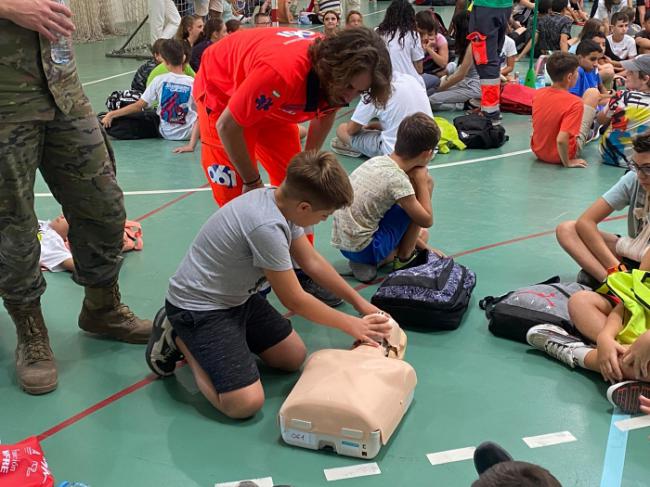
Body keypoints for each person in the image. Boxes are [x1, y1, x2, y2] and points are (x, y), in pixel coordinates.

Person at [146, 151, 392, 419]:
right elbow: (294, 299)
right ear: (305, 208)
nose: (323, 220)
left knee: (292, 357)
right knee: (243, 404)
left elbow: (311, 262)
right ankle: (180, 339)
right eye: (324, 215)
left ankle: (216, 341)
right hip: (200, 308)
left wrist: (361, 304)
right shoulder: (265, 226)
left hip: (238, 299)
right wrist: (352, 324)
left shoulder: (283, 203)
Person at [0, 0, 151, 395]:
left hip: (65, 93)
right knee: (11, 226)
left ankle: (102, 307)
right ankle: (30, 330)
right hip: (5, 103)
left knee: (103, 206)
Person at [193, 27, 391, 304]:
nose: (349, 97)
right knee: (236, 198)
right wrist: (251, 180)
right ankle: (247, 283)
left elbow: (326, 112)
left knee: (303, 191)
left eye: (358, 91)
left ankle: (301, 270)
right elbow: (229, 125)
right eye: (348, 88)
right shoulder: (283, 73)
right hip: (222, 91)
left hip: (270, 97)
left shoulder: (338, 77)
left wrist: (307, 164)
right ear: (330, 70)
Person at [331, 113, 438, 283]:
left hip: (344, 243)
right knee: (420, 218)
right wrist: (422, 181)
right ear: (427, 153)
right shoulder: (398, 179)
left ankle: (370, 262)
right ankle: (403, 258)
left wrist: (424, 245)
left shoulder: (378, 161)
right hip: (366, 248)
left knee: (420, 235)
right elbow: (426, 219)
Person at [556, 133, 650, 286]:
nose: (641, 175)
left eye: (647, 168)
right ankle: (613, 284)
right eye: (636, 166)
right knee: (567, 229)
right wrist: (616, 269)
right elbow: (586, 221)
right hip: (636, 251)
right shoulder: (633, 179)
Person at [102, 40, 198, 142]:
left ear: (164, 61)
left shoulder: (159, 80)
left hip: (166, 133)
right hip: (190, 133)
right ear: (183, 58)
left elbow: (138, 106)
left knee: (141, 117)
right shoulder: (193, 82)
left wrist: (112, 114)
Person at [331, 73, 434, 159]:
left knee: (342, 129)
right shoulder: (410, 78)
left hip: (397, 154)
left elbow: (351, 130)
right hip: (429, 148)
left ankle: (358, 149)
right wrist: (378, 125)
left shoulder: (374, 90)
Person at [531, 52, 600, 168]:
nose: (578, 75)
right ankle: (592, 128)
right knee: (593, 93)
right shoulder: (574, 103)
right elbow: (562, 139)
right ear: (569, 77)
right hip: (562, 155)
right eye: (577, 72)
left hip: (539, 152)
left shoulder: (538, 94)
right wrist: (567, 162)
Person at [466, 0, 512, 123]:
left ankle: (490, 113)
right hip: (504, 6)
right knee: (493, 56)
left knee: (485, 59)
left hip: (485, 7)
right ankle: (490, 107)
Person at [599, 55, 650, 167]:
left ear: (645, 79)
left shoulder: (621, 96)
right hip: (641, 163)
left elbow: (601, 120)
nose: (627, 73)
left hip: (609, 157)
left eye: (631, 72)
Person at [429, 10, 482, 111]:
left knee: (430, 100)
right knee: (434, 92)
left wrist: (439, 88)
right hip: (466, 83)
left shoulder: (473, 44)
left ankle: (465, 105)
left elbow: (460, 75)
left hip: (473, 87)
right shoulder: (472, 42)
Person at [376, 0, 426, 91]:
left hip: (383, 82)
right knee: (434, 81)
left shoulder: (377, 32)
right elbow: (419, 69)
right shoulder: (413, 35)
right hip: (409, 83)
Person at [415, 9, 449, 93]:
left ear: (436, 32)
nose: (425, 37)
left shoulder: (440, 39)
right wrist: (421, 50)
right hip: (420, 73)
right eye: (421, 33)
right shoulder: (412, 39)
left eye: (430, 34)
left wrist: (429, 50)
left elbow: (443, 63)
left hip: (434, 70)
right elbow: (418, 70)